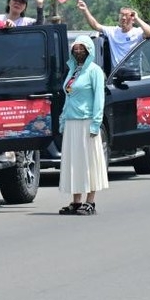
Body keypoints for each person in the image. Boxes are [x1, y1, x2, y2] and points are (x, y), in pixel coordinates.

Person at [58, 35, 108, 215]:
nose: (78, 52)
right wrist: (63, 119)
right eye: (76, 49)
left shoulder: (94, 71)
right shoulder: (72, 71)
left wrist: (96, 124)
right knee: (74, 162)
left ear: (89, 50)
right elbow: (68, 96)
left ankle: (90, 201)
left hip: (87, 122)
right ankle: (76, 200)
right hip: (72, 122)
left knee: (89, 162)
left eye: (82, 48)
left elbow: (99, 99)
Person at [75, 0, 150, 62]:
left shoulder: (137, 32)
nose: (124, 18)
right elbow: (95, 25)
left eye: (127, 16)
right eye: (122, 15)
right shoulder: (113, 32)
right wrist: (85, 10)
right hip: (117, 74)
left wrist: (137, 19)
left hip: (133, 75)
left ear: (132, 19)